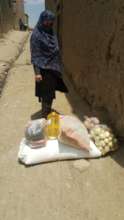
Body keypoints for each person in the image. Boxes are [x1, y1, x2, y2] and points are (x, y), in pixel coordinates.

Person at [30, 10, 68, 118]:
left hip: (53, 68)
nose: (49, 24)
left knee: (50, 93)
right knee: (46, 93)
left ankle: (47, 111)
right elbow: (35, 56)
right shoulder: (36, 36)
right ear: (42, 20)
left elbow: (55, 48)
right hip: (43, 70)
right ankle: (45, 115)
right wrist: (37, 73)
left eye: (51, 21)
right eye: (47, 21)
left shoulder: (51, 32)